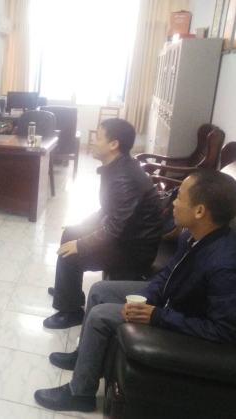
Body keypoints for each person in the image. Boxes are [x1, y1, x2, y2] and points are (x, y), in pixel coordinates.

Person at [35, 170, 236, 412]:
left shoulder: (224, 264)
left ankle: (80, 394)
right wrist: (150, 296)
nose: (173, 202)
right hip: (172, 300)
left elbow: (224, 331)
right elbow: (168, 274)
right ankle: (83, 358)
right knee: (99, 290)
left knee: (100, 315)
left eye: (180, 197)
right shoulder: (192, 237)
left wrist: (157, 316)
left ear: (200, 211)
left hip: (181, 318)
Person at [43, 118, 162, 329]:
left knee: (71, 254)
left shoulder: (125, 177)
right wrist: (82, 225)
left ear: (114, 144)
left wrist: (80, 244)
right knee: (71, 232)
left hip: (135, 250)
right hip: (128, 236)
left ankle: (71, 313)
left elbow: (115, 228)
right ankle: (70, 293)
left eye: (98, 138)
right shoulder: (117, 167)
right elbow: (108, 210)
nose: (93, 142)